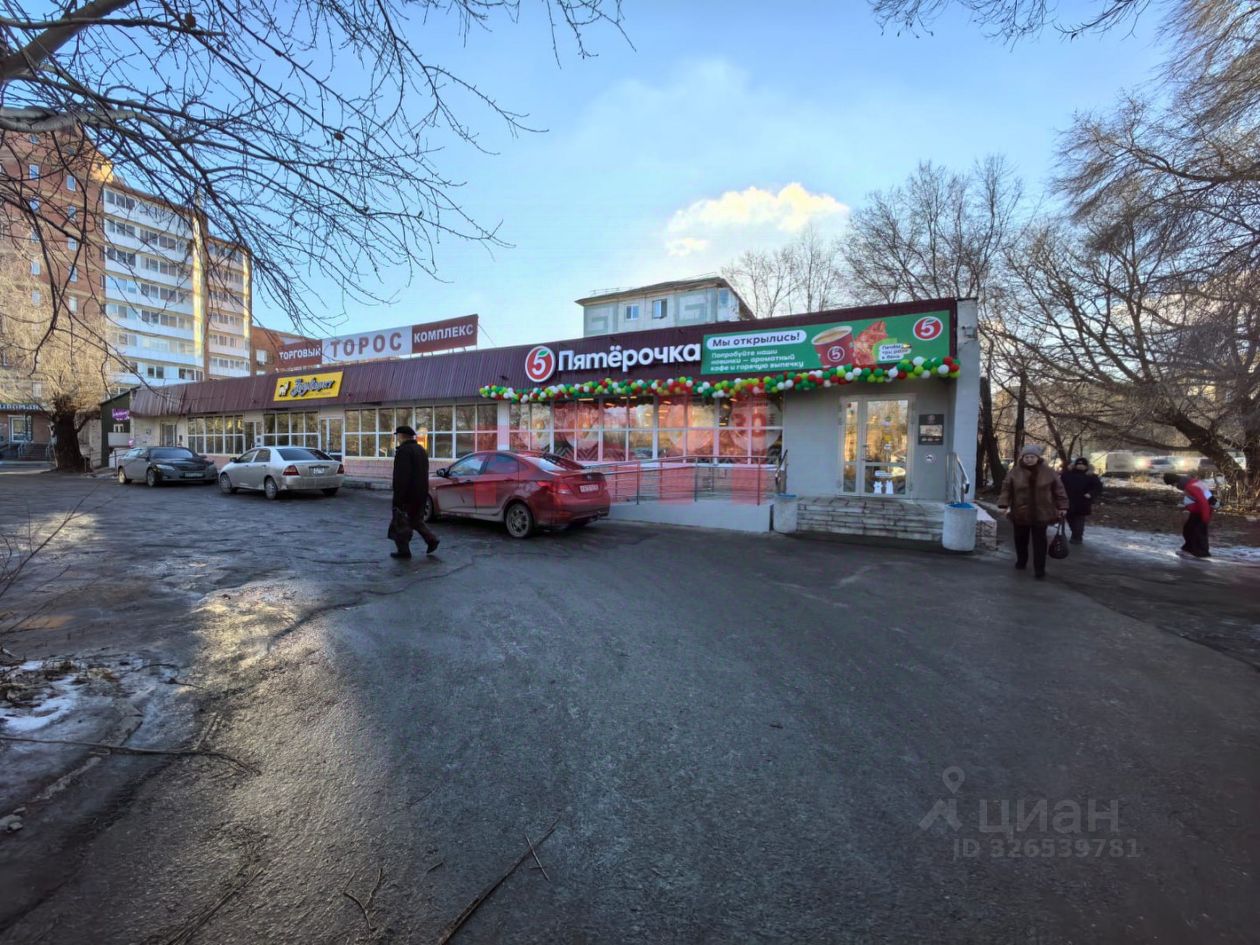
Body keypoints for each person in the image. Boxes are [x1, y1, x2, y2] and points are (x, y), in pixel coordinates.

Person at [998, 444, 1069, 579]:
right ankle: (1021, 561)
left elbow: (1059, 490)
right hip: (1020, 512)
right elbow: (1006, 489)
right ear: (1022, 458)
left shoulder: (1048, 472)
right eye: (1026, 457)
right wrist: (1003, 504)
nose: (1029, 459)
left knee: (1040, 542)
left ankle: (1039, 569)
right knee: (1020, 539)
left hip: (1042, 512)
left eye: (1032, 457)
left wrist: (1062, 507)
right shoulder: (1015, 472)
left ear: (1037, 457)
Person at [389, 425, 439, 559]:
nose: (397, 438)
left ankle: (403, 551)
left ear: (402, 436)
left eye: (398, 436)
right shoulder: (421, 450)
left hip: (407, 495)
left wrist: (399, 497)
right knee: (416, 520)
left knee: (400, 522)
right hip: (421, 492)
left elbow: (402, 476)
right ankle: (432, 540)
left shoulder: (404, 451)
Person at [1060, 457, 1103, 544]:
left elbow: (1098, 487)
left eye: (1083, 464)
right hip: (1069, 501)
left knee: (1079, 520)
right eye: (1078, 464)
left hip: (1083, 502)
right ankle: (1075, 534)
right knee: (1070, 519)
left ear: (1087, 466)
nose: (1080, 466)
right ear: (1075, 465)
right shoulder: (1067, 474)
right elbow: (1060, 485)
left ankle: (1077, 537)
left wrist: (1090, 494)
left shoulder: (1091, 476)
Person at [1170, 473, 1212, 559]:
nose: (1175, 487)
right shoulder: (1192, 483)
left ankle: (1201, 552)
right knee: (1188, 529)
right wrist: (1187, 506)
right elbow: (1198, 498)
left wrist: (1205, 517)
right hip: (1199, 510)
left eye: (1174, 485)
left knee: (1197, 531)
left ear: (1177, 482)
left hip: (1202, 511)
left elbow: (1203, 502)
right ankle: (1189, 549)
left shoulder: (1191, 486)